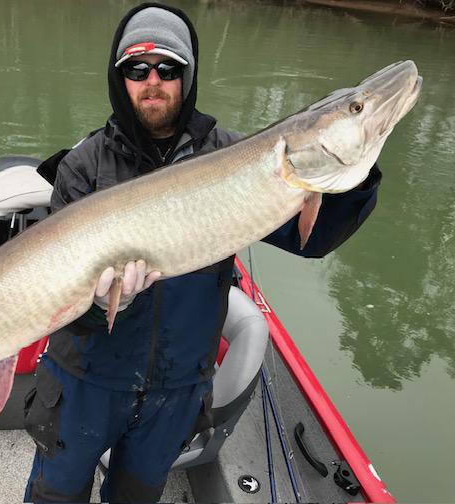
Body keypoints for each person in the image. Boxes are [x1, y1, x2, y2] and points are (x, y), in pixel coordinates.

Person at [23, 3, 382, 503]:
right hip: (86, 381)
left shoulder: (237, 156)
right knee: (53, 497)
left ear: (187, 76)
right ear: (119, 77)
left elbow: (313, 239)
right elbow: (56, 295)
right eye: (137, 68)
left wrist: (356, 169)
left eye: (168, 68)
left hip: (177, 388)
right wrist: (104, 303)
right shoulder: (84, 166)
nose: (153, 81)